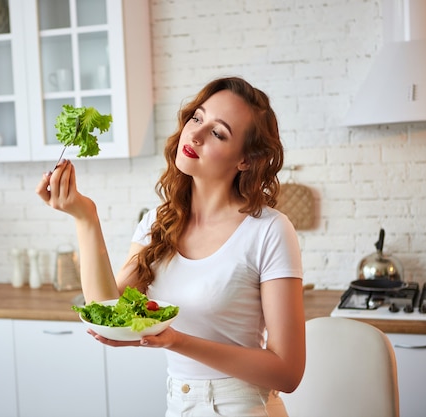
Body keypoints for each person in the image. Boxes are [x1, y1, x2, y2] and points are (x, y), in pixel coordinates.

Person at [35, 76, 305, 417]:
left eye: (218, 132)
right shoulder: (157, 222)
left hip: (243, 407)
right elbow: (110, 312)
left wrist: (179, 341)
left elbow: (288, 371)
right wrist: (85, 218)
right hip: (178, 405)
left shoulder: (269, 230)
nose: (195, 135)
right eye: (197, 118)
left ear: (246, 160)